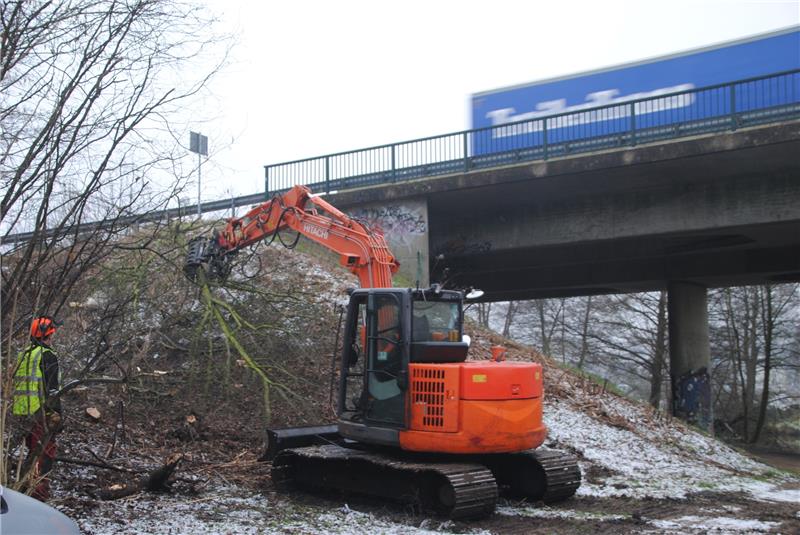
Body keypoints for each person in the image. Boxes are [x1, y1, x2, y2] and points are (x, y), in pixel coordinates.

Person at [13, 315, 63, 502]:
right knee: (43, 455)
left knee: (32, 455)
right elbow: (51, 389)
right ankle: (37, 496)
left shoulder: (24, 354)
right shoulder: (47, 355)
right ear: (49, 334)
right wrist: (55, 414)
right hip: (40, 413)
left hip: (21, 412)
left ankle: (26, 490)